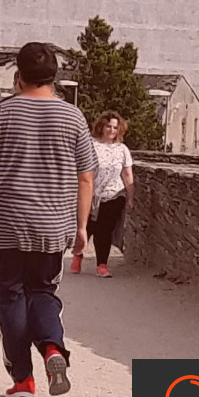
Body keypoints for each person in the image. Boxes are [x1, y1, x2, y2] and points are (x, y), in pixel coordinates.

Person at [0, 42, 96, 397]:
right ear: (54, 77)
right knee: (44, 292)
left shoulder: (2, 115)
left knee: (10, 297)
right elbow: (86, 177)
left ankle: (23, 379)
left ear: (18, 77)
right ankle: (53, 348)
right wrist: (82, 226)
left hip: (7, 223)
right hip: (52, 227)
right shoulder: (74, 118)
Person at [76, 112, 135, 278]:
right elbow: (80, 169)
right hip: (91, 194)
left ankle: (102, 265)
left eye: (115, 127)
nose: (111, 130)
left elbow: (127, 174)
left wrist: (130, 197)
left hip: (114, 195)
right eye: (108, 126)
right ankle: (78, 256)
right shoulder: (90, 145)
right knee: (87, 228)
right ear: (101, 127)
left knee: (105, 230)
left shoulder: (122, 150)